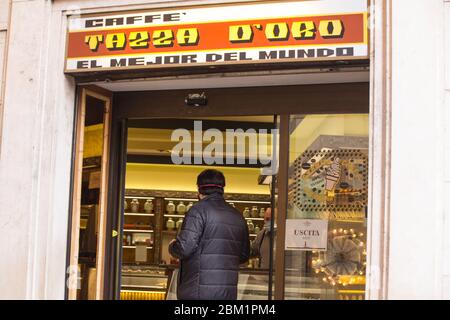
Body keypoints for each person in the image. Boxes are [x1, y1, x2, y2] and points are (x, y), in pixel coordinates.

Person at [168, 169, 250, 300]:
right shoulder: (237, 215)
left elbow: (184, 248)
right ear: (222, 189)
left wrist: (172, 246)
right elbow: (244, 256)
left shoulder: (197, 211)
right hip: (227, 293)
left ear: (199, 189)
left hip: (198, 292)